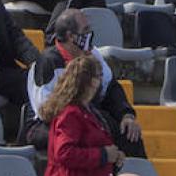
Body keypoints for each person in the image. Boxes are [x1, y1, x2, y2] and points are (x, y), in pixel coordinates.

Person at [28, 9, 143, 157]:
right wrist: (81, 119)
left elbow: (111, 88)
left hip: (88, 115)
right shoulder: (47, 63)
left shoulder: (93, 54)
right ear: (71, 36)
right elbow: (46, 111)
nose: (91, 34)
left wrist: (126, 115)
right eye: (86, 30)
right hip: (49, 125)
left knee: (129, 134)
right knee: (90, 135)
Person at [38, 54, 120, 176]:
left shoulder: (87, 111)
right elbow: (64, 153)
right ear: (89, 81)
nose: (101, 80)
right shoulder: (71, 114)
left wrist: (113, 156)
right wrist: (104, 155)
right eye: (98, 76)